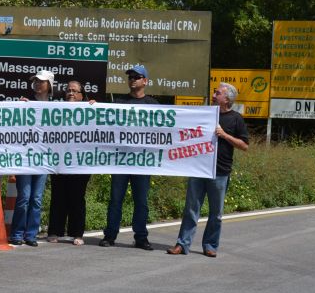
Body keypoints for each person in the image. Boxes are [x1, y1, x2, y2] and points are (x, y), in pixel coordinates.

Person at [166, 82, 249, 258]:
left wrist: (224, 135)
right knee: (190, 209)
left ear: (227, 99)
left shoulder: (236, 118)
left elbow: (244, 145)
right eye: (214, 92)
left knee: (216, 213)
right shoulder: (205, 114)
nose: (213, 95)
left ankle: (210, 245)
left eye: (217, 93)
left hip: (220, 172)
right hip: (198, 169)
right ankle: (182, 244)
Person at [99, 64, 159, 250]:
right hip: (120, 161)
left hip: (142, 162)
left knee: (141, 202)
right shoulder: (118, 103)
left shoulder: (154, 105)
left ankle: (141, 237)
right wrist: (92, 107)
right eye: (130, 76)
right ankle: (110, 235)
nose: (132, 79)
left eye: (136, 76)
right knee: (116, 200)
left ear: (145, 81)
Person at [9, 69, 54, 247]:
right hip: (26, 158)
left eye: (41, 81)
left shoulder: (56, 107)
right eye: (35, 81)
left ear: (49, 85)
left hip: (43, 160)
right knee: (24, 197)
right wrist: (20, 108)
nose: (37, 84)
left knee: (36, 198)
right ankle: (17, 233)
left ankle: (31, 234)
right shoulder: (26, 103)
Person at [47, 80, 92, 245]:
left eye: (74, 91)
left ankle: (77, 233)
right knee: (58, 196)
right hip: (59, 161)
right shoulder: (56, 110)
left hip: (81, 162)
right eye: (68, 90)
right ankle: (54, 230)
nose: (70, 93)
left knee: (77, 197)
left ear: (81, 95)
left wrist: (93, 107)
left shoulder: (90, 110)